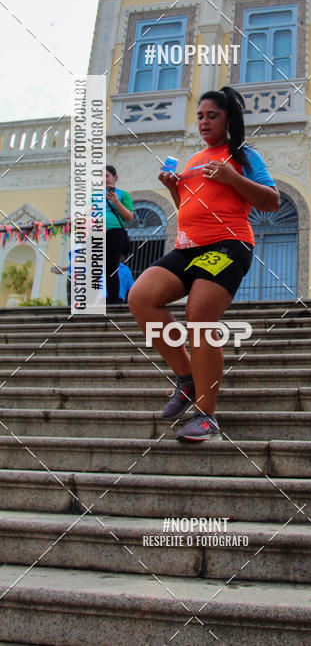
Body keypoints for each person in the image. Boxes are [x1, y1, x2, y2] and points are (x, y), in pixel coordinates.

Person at [128, 86, 279, 442]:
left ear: (228, 119)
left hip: (228, 244)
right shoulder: (195, 159)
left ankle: (206, 415)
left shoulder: (243, 155)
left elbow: (271, 201)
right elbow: (190, 209)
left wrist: (232, 177)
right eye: (200, 116)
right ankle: (187, 378)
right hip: (187, 247)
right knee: (140, 297)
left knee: (199, 314)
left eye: (212, 116)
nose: (204, 122)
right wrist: (173, 187)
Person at [105, 165, 134, 305]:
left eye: (106, 176)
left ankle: (113, 301)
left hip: (114, 232)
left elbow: (129, 216)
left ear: (114, 177)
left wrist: (116, 202)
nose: (103, 179)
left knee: (111, 268)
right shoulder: (94, 195)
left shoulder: (123, 195)